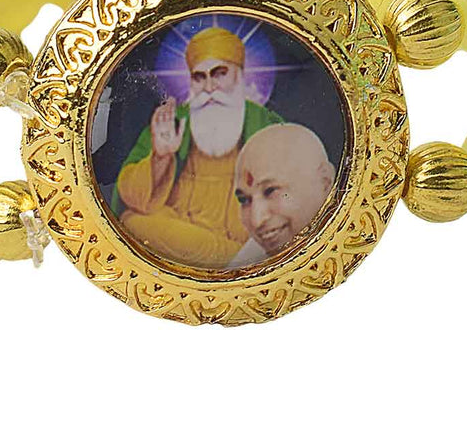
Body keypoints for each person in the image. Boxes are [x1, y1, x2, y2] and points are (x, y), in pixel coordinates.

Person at [113, 26, 283, 269]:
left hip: (239, 225)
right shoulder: (172, 120)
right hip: (179, 220)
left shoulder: (265, 121)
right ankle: (236, 260)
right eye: (199, 77)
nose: (209, 87)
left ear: (240, 75)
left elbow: (288, 191)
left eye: (220, 73)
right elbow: (131, 197)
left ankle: (231, 259)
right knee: (132, 223)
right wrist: (160, 156)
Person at [227, 124, 336, 269]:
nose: (257, 221)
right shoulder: (245, 266)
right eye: (244, 200)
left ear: (325, 182)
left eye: (270, 190)